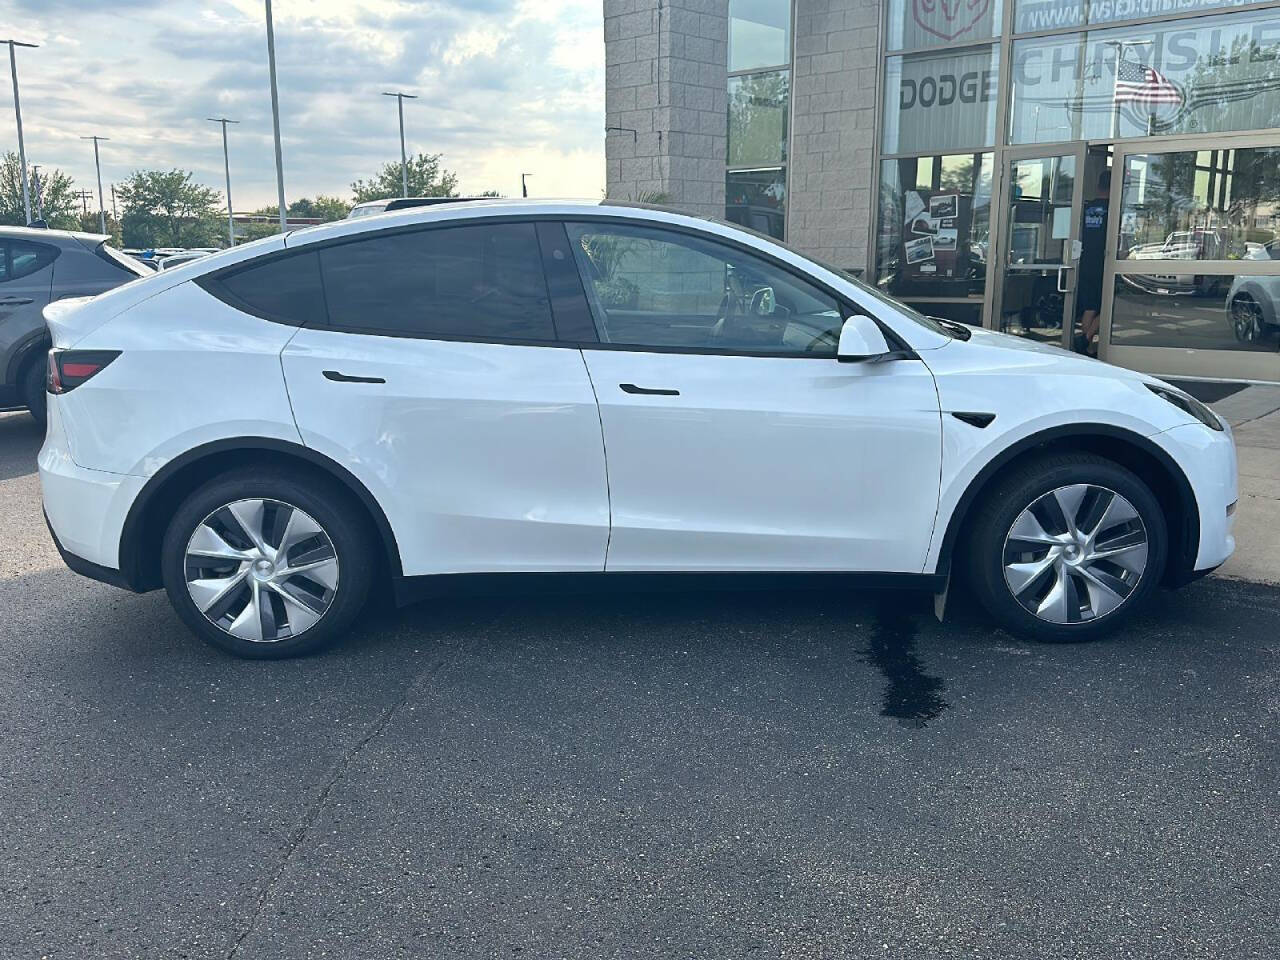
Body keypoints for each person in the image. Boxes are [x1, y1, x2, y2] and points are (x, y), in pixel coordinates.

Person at [1076, 169, 1110, 356]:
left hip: (1085, 260)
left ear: (1098, 186)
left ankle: (1085, 348)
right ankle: (1086, 338)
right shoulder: (1111, 210)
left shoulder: (1087, 207)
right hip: (1103, 263)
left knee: (1089, 307)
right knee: (1107, 306)